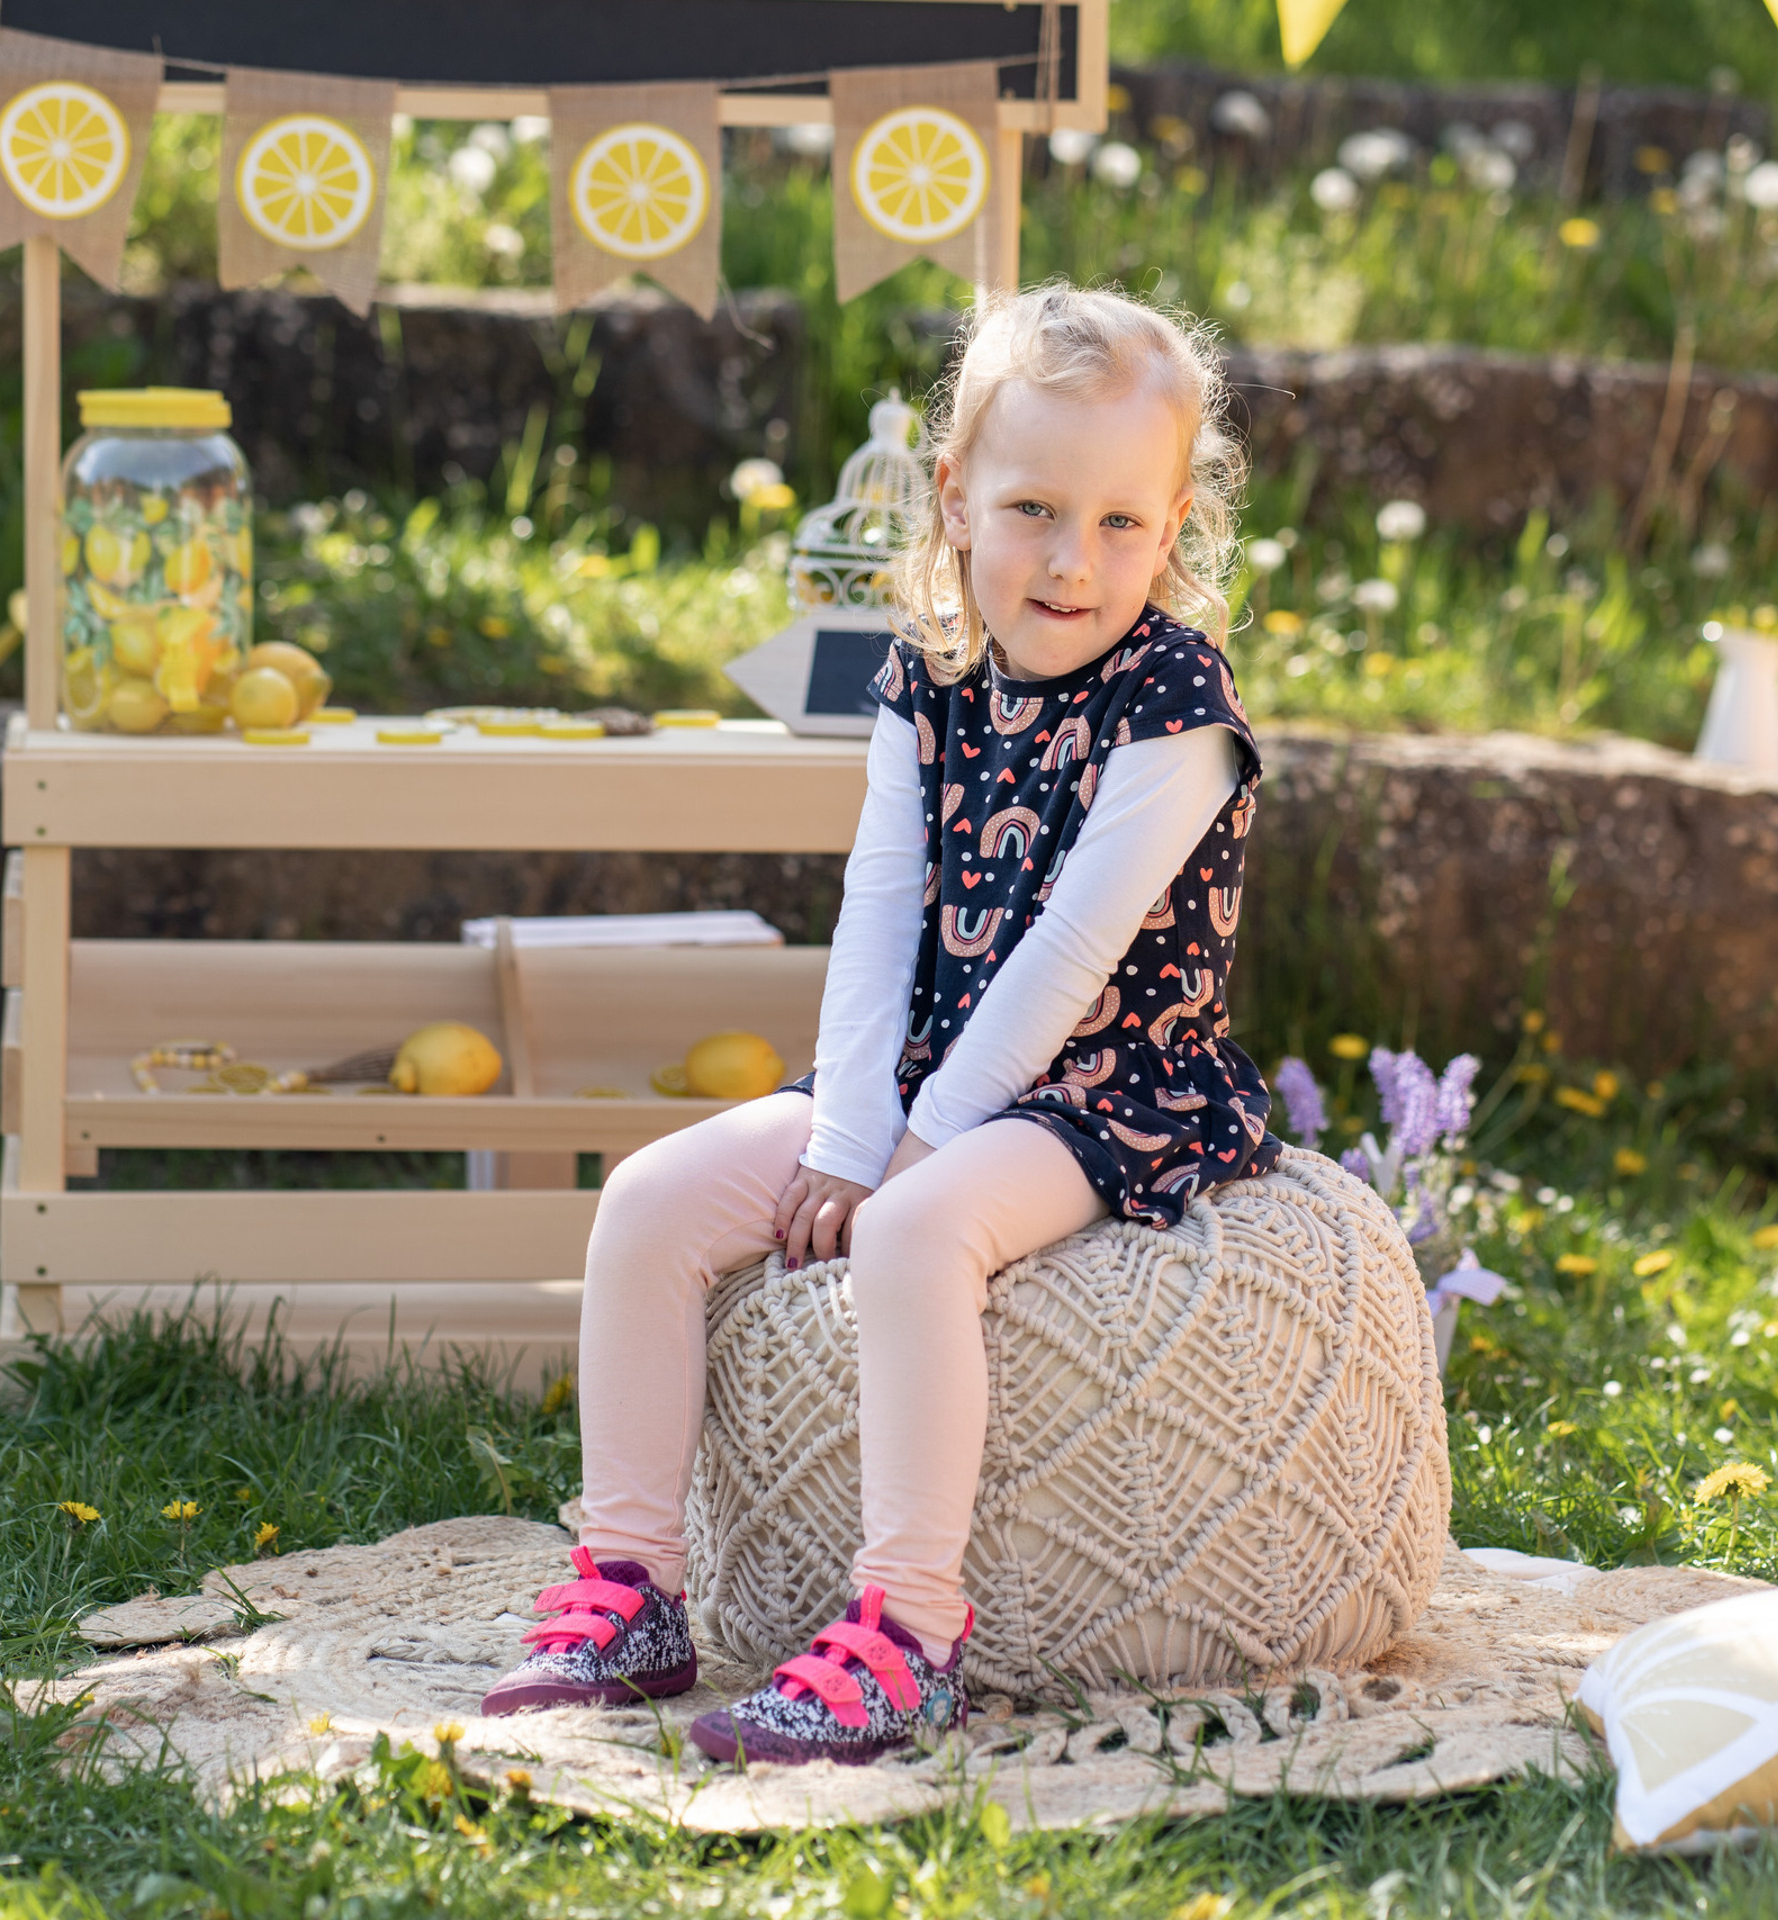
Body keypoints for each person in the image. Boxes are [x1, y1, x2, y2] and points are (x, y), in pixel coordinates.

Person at [481, 282, 1281, 1763]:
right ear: (957, 501)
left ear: (1174, 528)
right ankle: (633, 1582)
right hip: (922, 1064)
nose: (1070, 559)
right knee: (651, 1201)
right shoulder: (928, 674)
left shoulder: (1177, 699)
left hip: (1110, 1086)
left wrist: (908, 1160)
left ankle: (910, 1632)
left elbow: (1068, 955)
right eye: (1033, 508)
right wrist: (850, 1129)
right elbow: (880, 907)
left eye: (1120, 522)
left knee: (915, 1235)